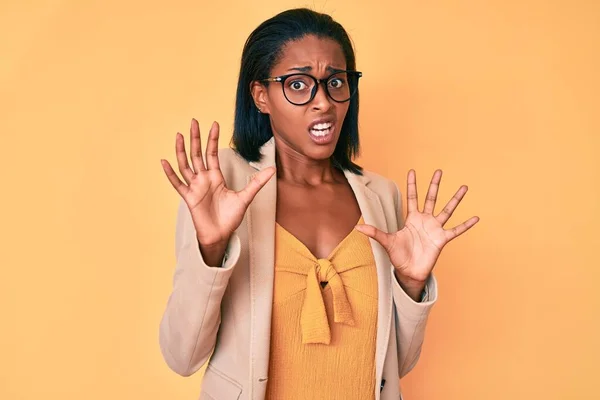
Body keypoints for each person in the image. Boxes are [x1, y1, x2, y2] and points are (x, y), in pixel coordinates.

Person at [158, 8, 479, 400]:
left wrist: (411, 285)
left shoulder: (381, 196)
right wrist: (209, 250)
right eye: (298, 85)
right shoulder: (224, 186)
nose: (323, 102)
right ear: (261, 96)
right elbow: (182, 356)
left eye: (335, 82)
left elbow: (395, 365)